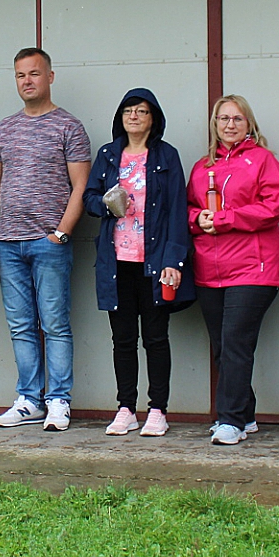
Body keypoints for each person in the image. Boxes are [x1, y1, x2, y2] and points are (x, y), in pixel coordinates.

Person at [0, 48, 92, 431]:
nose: (27, 81)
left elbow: (81, 186)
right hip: (8, 243)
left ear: (50, 77)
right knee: (21, 325)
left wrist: (61, 232)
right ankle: (29, 401)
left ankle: (58, 401)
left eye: (34, 73)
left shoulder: (69, 126)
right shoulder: (5, 128)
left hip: (48, 243)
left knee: (54, 324)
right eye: (20, 75)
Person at [84, 88, 191, 437]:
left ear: (153, 118)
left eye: (141, 111)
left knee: (156, 338)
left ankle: (158, 410)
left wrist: (174, 260)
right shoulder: (108, 154)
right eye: (128, 110)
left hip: (154, 263)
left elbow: (177, 211)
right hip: (116, 262)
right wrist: (107, 204)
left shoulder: (167, 156)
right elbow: (88, 198)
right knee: (123, 339)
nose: (134, 116)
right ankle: (126, 409)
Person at [187, 94, 279, 445]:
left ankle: (229, 420)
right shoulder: (202, 166)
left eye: (237, 119)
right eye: (224, 119)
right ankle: (245, 415)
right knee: (222, 346)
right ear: (214, 124)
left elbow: (273, 207)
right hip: (209, 269)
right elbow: (187, 208)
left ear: (249, 124)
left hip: (253, 269)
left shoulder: (262, 160)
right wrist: (197, 218)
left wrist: (225, 219)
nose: (230, 125)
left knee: (235, 344)